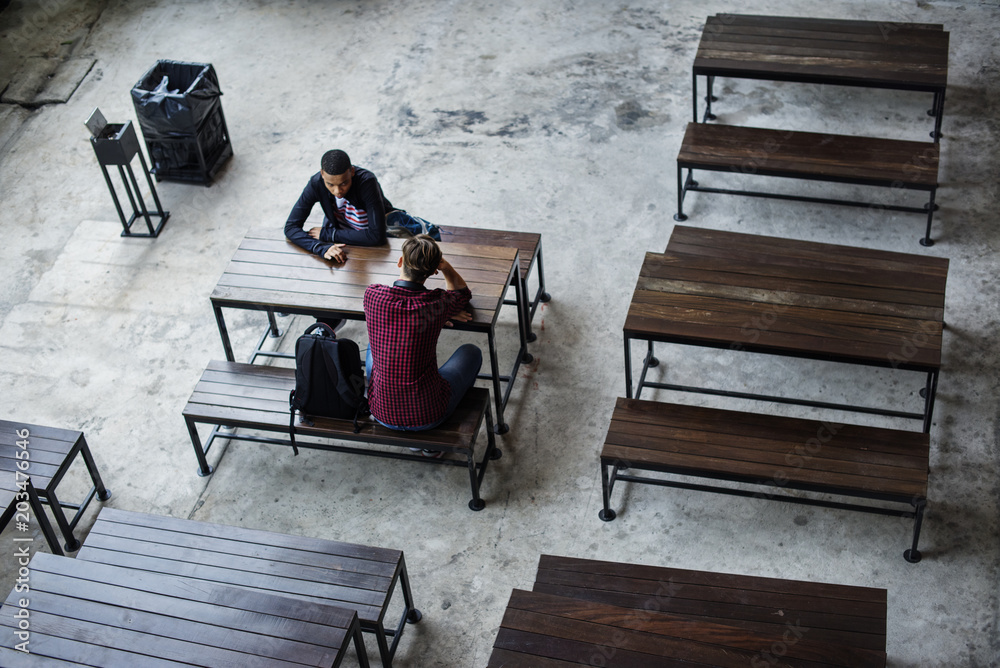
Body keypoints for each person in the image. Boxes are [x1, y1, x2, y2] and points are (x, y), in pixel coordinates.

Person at [363, 235, 481, 436]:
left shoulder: (373, 295)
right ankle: (433, 439)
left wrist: (439, 316)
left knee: (373, 346)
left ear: (400, 262)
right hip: (428, 415)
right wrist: (445, 269)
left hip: (381, 412)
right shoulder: (436, 303)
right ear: (433, 270)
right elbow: (462, 294)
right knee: (471, 352)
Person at [284, 149, 438, 264]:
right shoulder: (316, 183)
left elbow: (376, 236)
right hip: (344, 237)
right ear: (322, 174)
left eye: (344, 183)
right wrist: (320, 247)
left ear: (351, 171)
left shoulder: (366, 182)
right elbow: (291, 227)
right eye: (330, 184)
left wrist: (328, 235)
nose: (337, 191)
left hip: (380, 236)